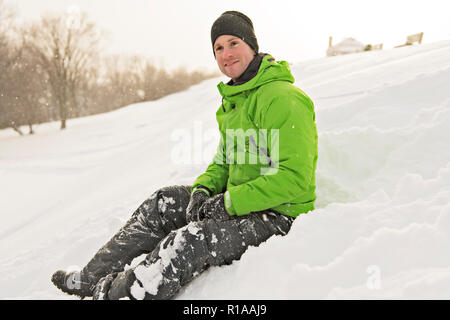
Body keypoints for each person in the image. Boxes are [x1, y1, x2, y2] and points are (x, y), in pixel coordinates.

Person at [51, 10, 318, 300]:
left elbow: (294, 178)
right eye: (218, 48)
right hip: (242, 200)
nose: (226, 53)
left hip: (278, 215)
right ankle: (91, 278)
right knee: (161, 203)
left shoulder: (282, 98)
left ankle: (114, 294)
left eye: (233, 43)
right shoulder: (236, 99)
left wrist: (229, 203)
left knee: (189, 241)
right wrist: (203, 189)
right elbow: (224, 161)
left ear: (251, 45)